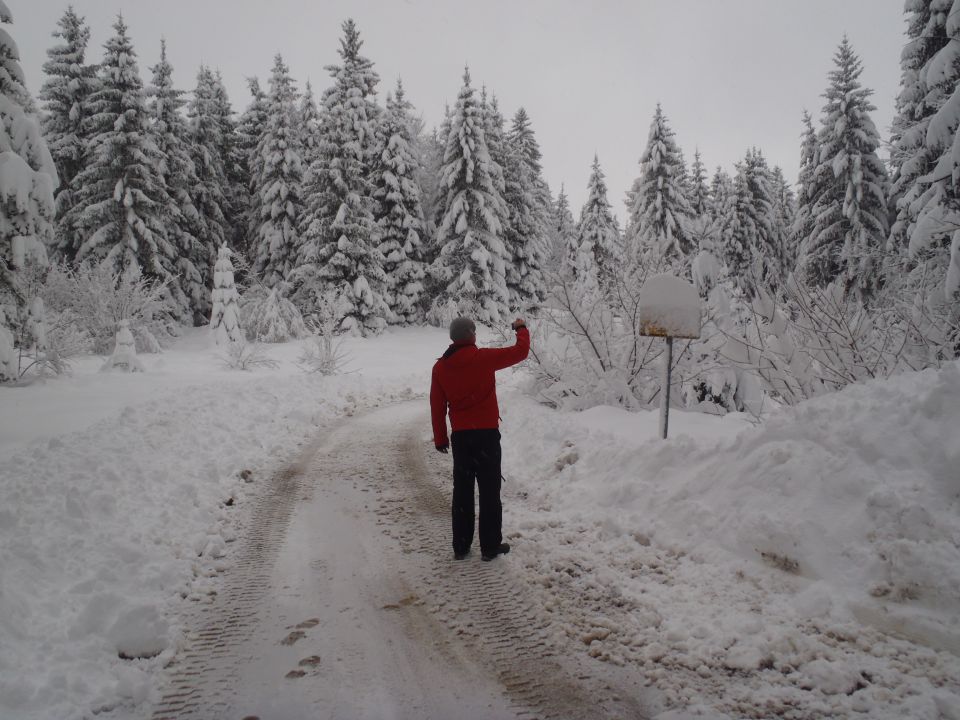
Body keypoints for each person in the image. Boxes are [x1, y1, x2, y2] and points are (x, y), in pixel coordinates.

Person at [430, 316, 530, 561]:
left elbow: (436, 405)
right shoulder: (483, 358)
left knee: (462, 492)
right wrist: (521, 328)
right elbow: (521, 352)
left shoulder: (441, 367)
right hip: (486, 436)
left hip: (462, 438)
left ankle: (461, 547)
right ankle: (489, 546)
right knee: (489, 491)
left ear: (453, 338)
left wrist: (441, 438)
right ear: (472, 335)